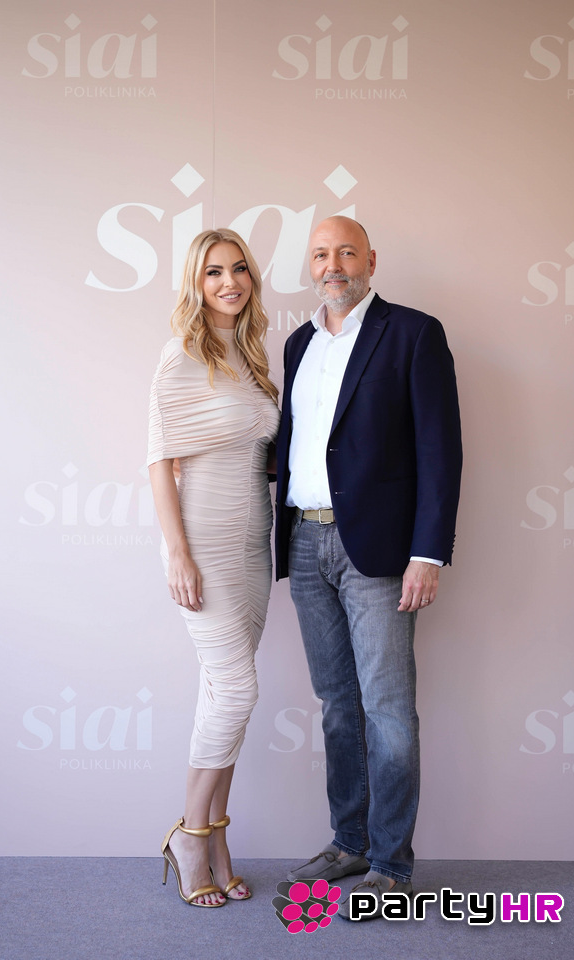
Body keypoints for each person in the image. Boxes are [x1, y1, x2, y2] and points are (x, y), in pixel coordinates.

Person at [275, 216, 462, 920]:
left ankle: (390, 862)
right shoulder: (298, 343)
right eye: (321, 254)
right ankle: (348, 841)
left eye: (347, 252)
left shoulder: (413, 333)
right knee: (337, 705)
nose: (334, 265)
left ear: (371, 260)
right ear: (310, 265)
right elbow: (296, 444)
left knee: (387, 708)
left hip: (380, 551)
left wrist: (427, 552)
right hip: (305, 540)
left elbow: (440, 450)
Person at [148, 228, 279, 908]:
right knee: (236, 692)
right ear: (195, 285)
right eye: (213, 273)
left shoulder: (252, 357)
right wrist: (177, 553)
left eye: (239, 269)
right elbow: (157, 463)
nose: (230, 282)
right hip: (202, 545)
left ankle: (218, 838)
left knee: (220, 695)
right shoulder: (182, 354)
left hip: (254, 548)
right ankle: (191, 834)